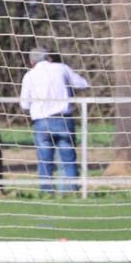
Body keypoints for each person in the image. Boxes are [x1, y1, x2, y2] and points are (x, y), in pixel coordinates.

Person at [19, 47, 89, 193]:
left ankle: (46, 192)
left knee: (44, 160)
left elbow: (24, 104)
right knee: (68, 158)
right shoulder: (62, 68)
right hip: (63, 119)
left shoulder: (29, 75)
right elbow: (83, 84)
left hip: (41, 122)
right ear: (48, 57)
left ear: (31, 61)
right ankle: (70, 191)